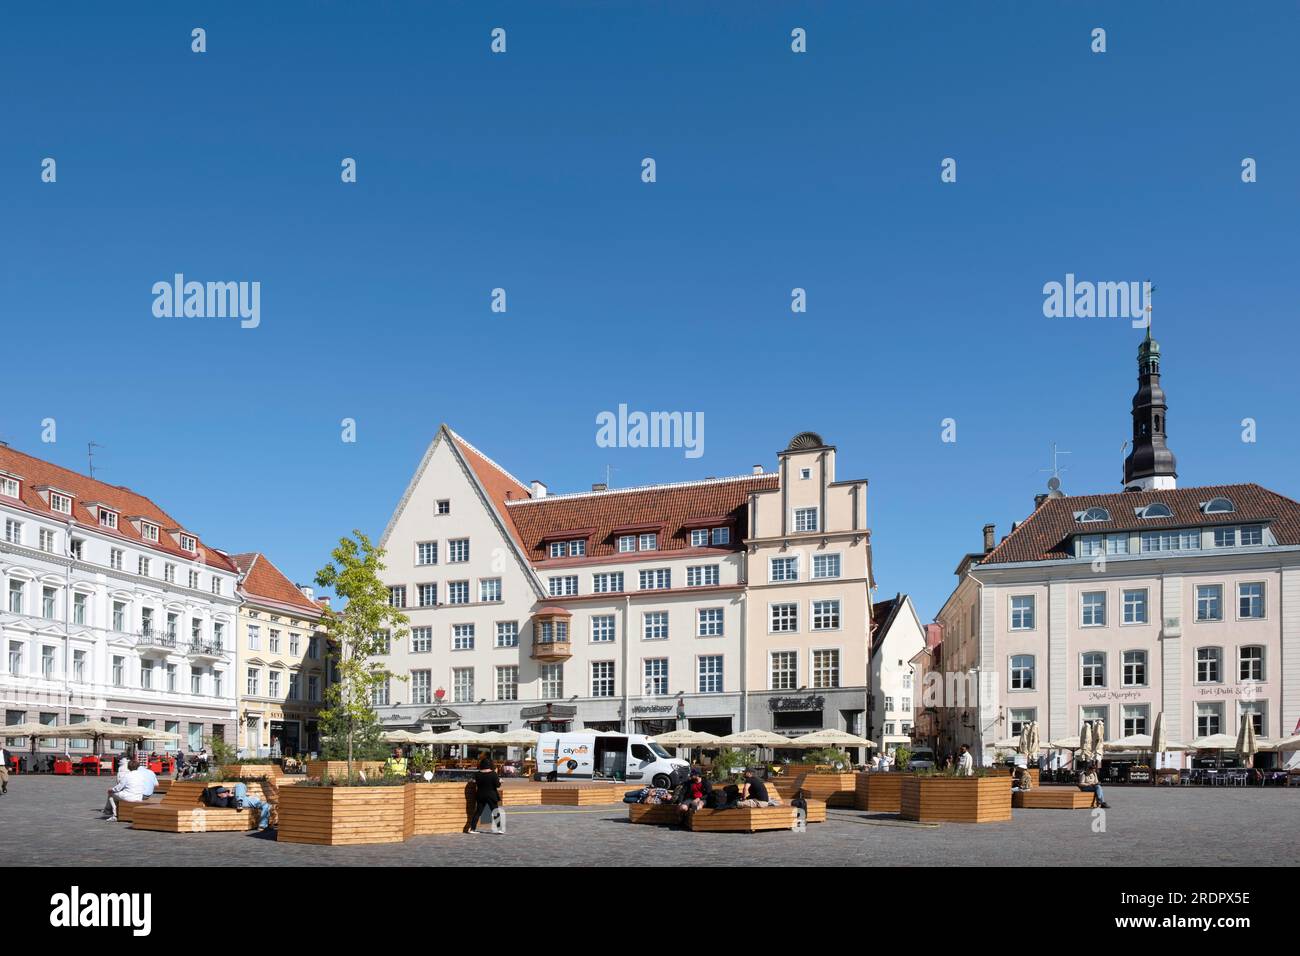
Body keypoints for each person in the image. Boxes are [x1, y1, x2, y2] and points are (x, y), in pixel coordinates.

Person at [469, 756, 502, 833]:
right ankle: (499, 829)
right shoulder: (493, 774)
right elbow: (497, 785)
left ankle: (472, 829)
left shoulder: (477, 774)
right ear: (490, 764)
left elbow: (475, 782)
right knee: (495, 812)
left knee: (478, 812)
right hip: (491, 795)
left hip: (480, 795)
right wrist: (500, 781)